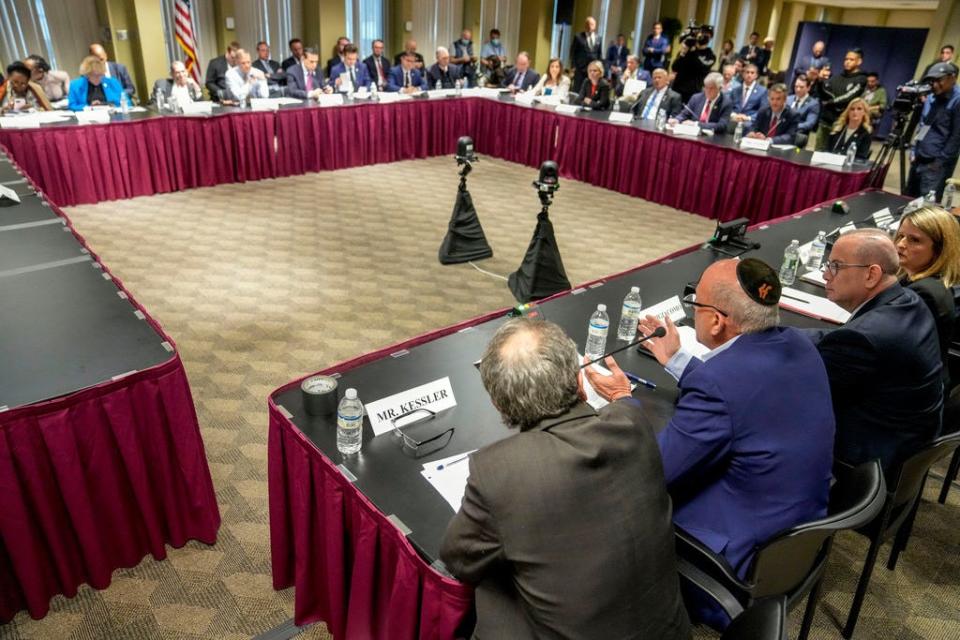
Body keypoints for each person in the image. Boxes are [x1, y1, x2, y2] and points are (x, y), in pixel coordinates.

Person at [586, 258, 834, 631]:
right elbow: (742, 391)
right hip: (796, 538)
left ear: (717, 321)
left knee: (606, 506)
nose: (694, 311)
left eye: (695, 304)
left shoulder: (721, 384)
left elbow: (652, 469)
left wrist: (623, 400)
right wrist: (676, 359)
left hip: (734, 561)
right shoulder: (799, 345)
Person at [440, 318, 692, 640]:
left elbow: (457, 559)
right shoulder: (632, 422)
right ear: (578, 380)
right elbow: (626, 405)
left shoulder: (498, 470)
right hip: (669, 632)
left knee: (492, 584)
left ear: (497, 403)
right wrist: (621, 395)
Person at [806, 229, 943, 475]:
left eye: (836, 266)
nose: (826, 275)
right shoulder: (909, 301)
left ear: (871, 274)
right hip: (910, 439)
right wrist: (780, 333)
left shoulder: (864, 338)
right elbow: (836, 339)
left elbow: (806, 392)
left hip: (867, 461)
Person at [895, 205, 960, 387]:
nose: (901, 244)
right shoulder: (910, 279)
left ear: (940, 250)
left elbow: (894, 348)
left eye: (914, 240)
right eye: (900, 236)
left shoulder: (925, 293)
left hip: (912, 392)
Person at [906, 62, 960, 201]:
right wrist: (914, 149)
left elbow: (956, 137)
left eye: (939, 80)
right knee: (907, 201)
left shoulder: (957, 100)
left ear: (952, 78)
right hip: (918, 159)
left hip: (936, 165)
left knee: (926, 209)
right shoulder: (931, 97)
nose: (934, 85)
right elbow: (924, 124)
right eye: (932, 81)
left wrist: (939, 162)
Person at [815, 48, 867, 150]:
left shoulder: (861, 79)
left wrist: (830, 102)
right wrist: (820, 81)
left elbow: (848, 97)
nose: (847, 62)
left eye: (851, 59)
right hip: (825, 120)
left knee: (832, 153)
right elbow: (825, 93)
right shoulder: (836, 77)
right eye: (846, 59)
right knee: (818, 152)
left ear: (859, 61)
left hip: (841, 122)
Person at [671, 31, 716, 104]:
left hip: (692, 92)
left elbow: (702, 67)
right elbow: (674, 67)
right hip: (677, 88)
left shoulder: (710, 55)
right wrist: (683, 53)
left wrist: (694, 52)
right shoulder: (688, 51)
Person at [571, 16, 603, 92]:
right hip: (581, 70)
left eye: (592, 24)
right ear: (585, 25)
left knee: (590, 92)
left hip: (593, 72)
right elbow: (573, 53)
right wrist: (574, 67)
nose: (589, 26)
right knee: (578, 91)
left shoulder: (599, 38)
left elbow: (599, 54)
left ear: (595, 26)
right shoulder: (578, 37)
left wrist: (600, 69)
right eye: (588, 24)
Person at [788, 75, 821, 141]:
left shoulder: (813, 104)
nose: (798, 89)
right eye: (796, 86)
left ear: (808, 88)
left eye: (801, 87)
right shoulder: (788, 99)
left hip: (797, 135)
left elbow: (809, 123)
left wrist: (792, 126)